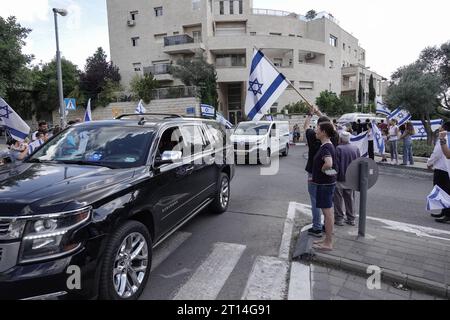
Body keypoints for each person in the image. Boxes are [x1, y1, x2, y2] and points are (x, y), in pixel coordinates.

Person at [304, 108, 338, 238]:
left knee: (315, 201)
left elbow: (306, 126)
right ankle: (327, 226)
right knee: (328, 202)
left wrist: (310, 114)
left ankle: (317, 227)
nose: (316, 129)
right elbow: (331, 127)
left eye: (318, 127)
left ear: (322, 130)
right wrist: (319, 112)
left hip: (315, 173)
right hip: (330, 175)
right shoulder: (333, 138)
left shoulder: (314, 136)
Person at [311, 122, 338, 251]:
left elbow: (328, 163)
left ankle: (328, 243)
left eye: (318, 129)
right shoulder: (327, 145)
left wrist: (321, 171)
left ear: (324, 132)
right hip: (326, 183)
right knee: (328, 213)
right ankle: (327, 239)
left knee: (328, 214)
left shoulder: (326, 147)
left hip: (325, 185)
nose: (316, 131)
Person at [334, 131, 361, 226]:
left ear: (340, 139)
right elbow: (358, 164)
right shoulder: (355, 148)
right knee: (350, 199)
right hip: (351, 178)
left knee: (338, 200)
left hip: (340, 178)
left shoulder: (339, 148)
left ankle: (339, 219)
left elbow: (336, 165)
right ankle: (351, 218)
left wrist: (333, 177)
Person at [427, 121, 450, 224]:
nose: (439, 127)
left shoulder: (444, 138)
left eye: (441, 126)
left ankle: (447, 214)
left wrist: (429, 163)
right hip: (446, 169)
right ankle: (443, 211)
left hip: (441, 169)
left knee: (442, 192)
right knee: (444, 192)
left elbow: (436, 153)